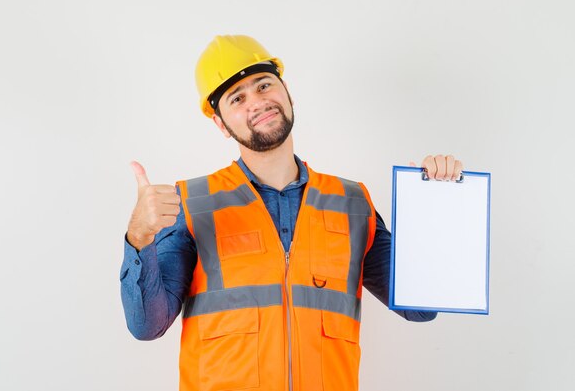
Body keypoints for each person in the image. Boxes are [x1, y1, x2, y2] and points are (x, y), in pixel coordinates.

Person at [120, 35, 463, 391]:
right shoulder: (192, 204)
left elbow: (421, 308)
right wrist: (139, 238)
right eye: (237, 98)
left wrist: (432, 207)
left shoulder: (353, 204)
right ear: (221, 124)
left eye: (264, 85)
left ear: (287, 93)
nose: (257, 101)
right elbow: (148, 325)